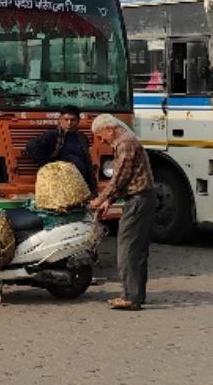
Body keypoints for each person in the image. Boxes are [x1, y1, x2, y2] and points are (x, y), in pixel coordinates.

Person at [88, 114, 155, 311]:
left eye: (101, 137)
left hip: (138, 201)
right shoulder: (128, 140)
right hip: (144, 199)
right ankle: (136, 295)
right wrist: (110, 200)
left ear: (110, 129)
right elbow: (127, 178)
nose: (102, 142)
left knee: (127, 249)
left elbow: (119, 178)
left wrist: (100, 199)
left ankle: (130, 297)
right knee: (138, 250)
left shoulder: (125, 143)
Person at [23, 105, 97, 194]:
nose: (69, 123)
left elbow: (87, 162)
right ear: (60, 120)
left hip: (81, 185)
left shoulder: (82, 138)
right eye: (66, 120)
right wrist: (49, 165)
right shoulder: (53, 135)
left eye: (72, 120)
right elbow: (31, 146)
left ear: (78, 121)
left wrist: (93, 189)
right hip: (61, 186)